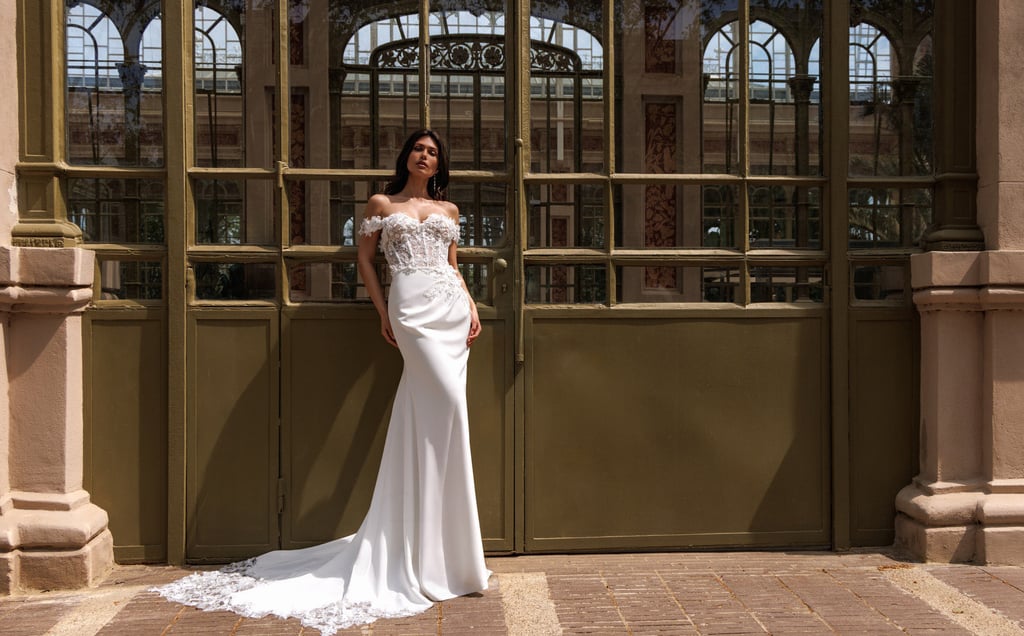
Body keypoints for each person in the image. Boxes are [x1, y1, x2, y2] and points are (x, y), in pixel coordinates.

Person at [154, 129, 490, 634]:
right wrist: (384, 315)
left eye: (434, 152)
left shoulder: (449, 212)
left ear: (440, 164)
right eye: (419, 149)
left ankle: (447, 555)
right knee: (439, 407)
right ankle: (423, 551)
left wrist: (470, 305)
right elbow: (365, 262)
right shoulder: (381, 201)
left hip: (448, 308)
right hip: (410, 308)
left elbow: (453, 267)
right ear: (407, 156)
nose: (426, 156)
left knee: (445, 418)